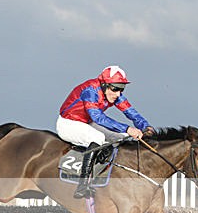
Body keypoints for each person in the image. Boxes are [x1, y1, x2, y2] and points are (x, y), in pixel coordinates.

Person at [57, 65, 154, 198]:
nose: (118, 93)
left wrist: (146, 127)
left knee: (121, 137)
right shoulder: (90, 91)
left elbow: (131, 112)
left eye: (121, 89)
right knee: (97, 138)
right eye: (115, 88)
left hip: (87, 123)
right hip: (68, 123)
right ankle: (82, 185)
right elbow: (98, 118)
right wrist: (128, 128)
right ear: (104, 85)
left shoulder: (114, 94)